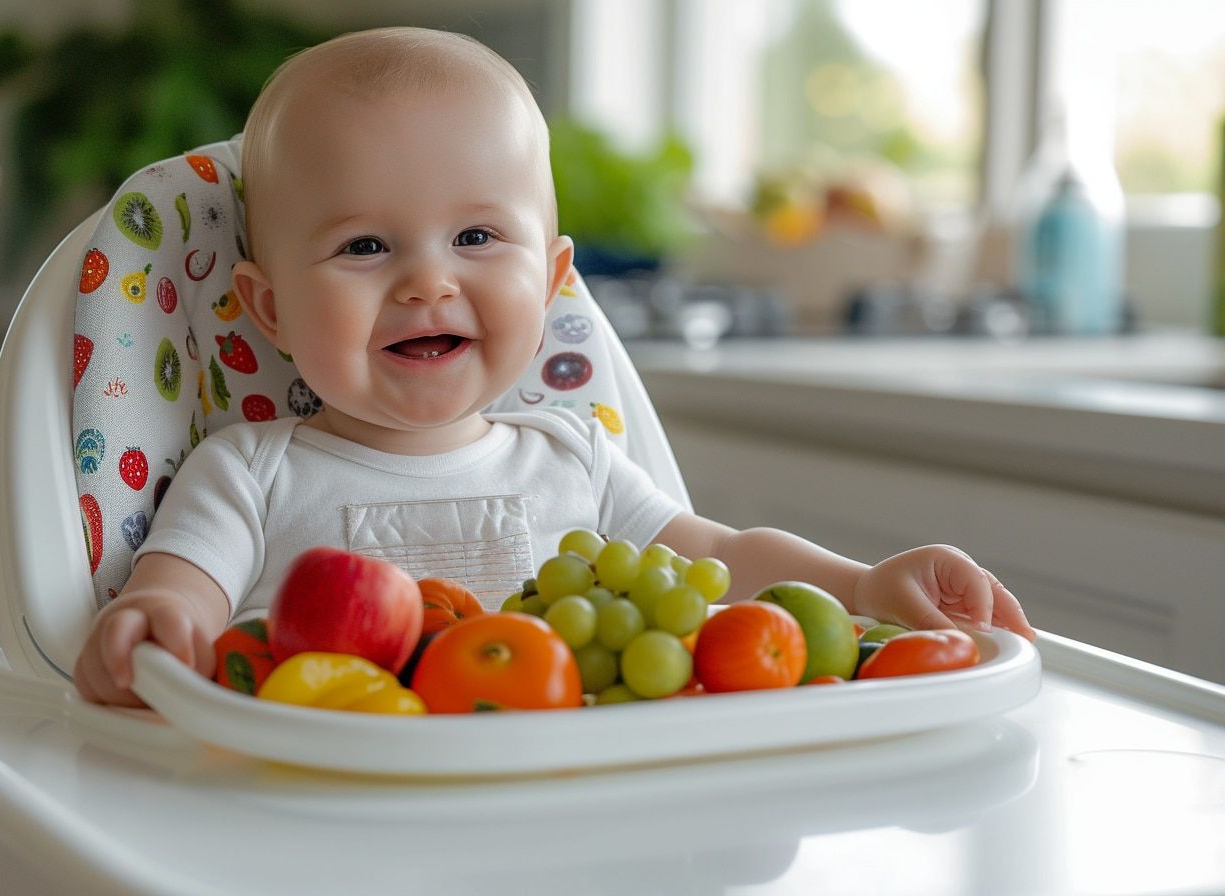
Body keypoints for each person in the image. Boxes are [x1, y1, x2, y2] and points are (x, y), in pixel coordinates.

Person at [73, 27, 1035, 706]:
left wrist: (864, 588)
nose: (426, 282)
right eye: (365, 247)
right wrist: (152, 627)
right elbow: (180, 591)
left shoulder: (571, 459)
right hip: (326, 823)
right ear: (269, 308)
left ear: (553, 282)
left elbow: (726, 562)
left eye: (478, 235)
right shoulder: (249, 471)